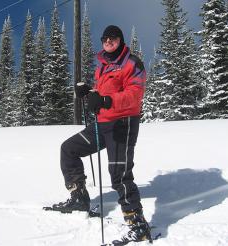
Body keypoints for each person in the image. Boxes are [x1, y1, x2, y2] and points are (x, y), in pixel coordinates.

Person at [48, 25, 152, 244]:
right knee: (69, 149)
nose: (108, 41)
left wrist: (106, 101)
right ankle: (79, 198)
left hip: (122, 124)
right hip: (102, 124)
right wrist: (89, 92)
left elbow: (135, 94)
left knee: (119, 174)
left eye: (112, 38)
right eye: (105, 38)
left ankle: (138, 225)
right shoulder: (103, 66)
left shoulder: (132, 62)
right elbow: (103, 93)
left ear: (120, 40)